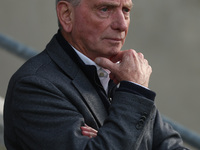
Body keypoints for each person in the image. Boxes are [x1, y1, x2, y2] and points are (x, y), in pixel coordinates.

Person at [4, 0, 189, 149]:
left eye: (126, 9)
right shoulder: (33, 86)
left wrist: (106, 139)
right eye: (105, 9)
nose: (122, 24)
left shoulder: (123, 77)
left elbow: (172, 145)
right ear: (66, 15)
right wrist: (135, 91)